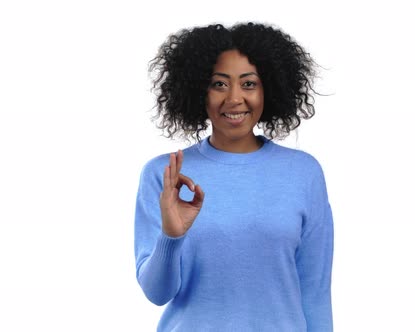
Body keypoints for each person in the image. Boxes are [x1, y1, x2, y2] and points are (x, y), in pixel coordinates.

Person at [134, 22, 334, 331]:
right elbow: (157, 293)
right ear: (199, 89)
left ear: (269, 88)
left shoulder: (303, 173)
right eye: (219, 84)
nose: (234, 98)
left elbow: (315, 294)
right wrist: (171, 237)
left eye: (249, 84)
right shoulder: (166, 175)